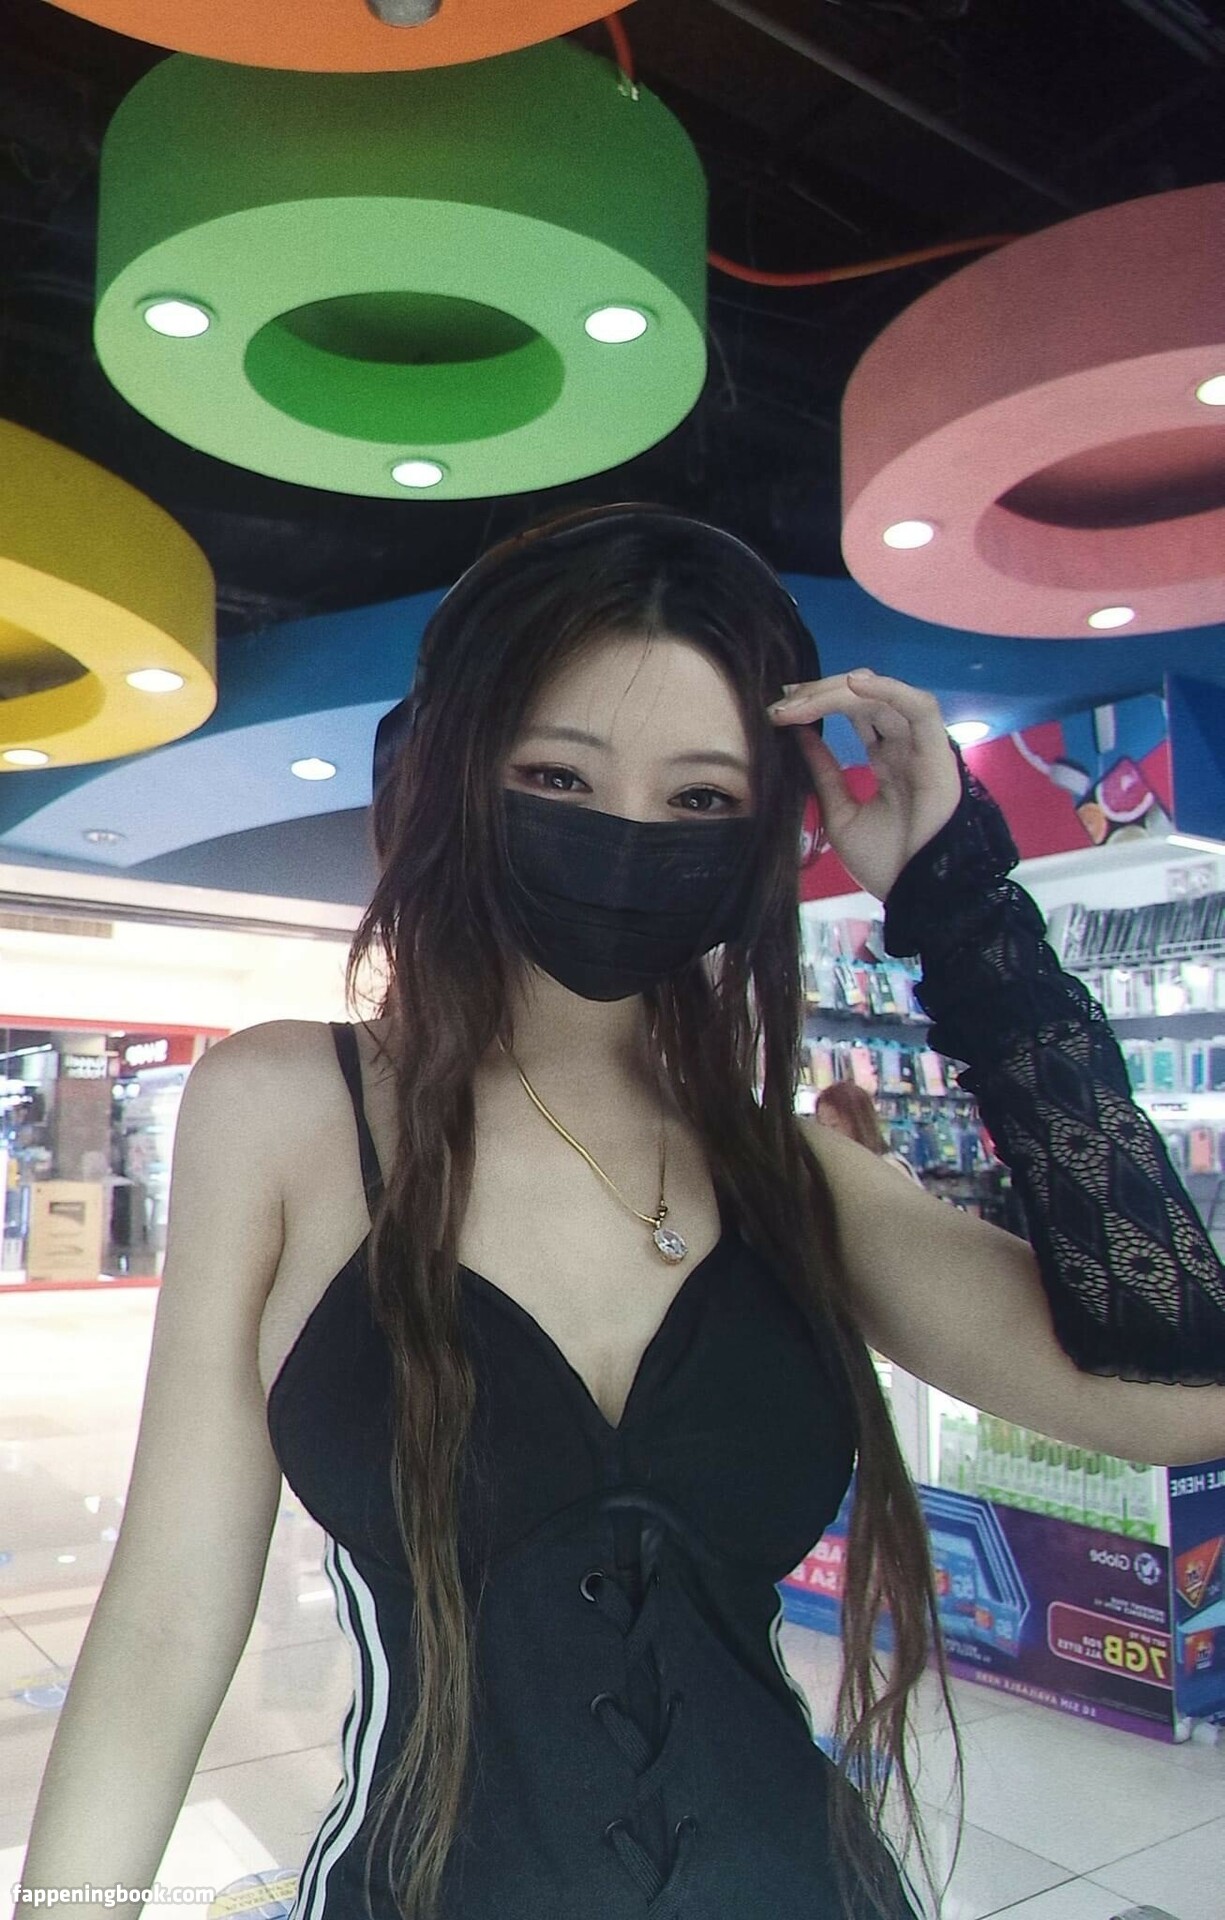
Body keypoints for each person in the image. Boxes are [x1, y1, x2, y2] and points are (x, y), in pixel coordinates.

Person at [18, 506, 1225, 1920]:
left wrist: (962, 921)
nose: (629, 835)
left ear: (759, 832)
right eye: (557, 774)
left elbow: (1177, 1397)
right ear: (456, 773)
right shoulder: (286, 1109)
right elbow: (168, 1618)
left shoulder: (798, 1181)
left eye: (701, 797)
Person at [814, 1081, 923, 1183]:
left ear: (858, 1124)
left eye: (834, 1125)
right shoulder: (837, 1169)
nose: (826, 1134)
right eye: (822, 1126)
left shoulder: (890, 1168)